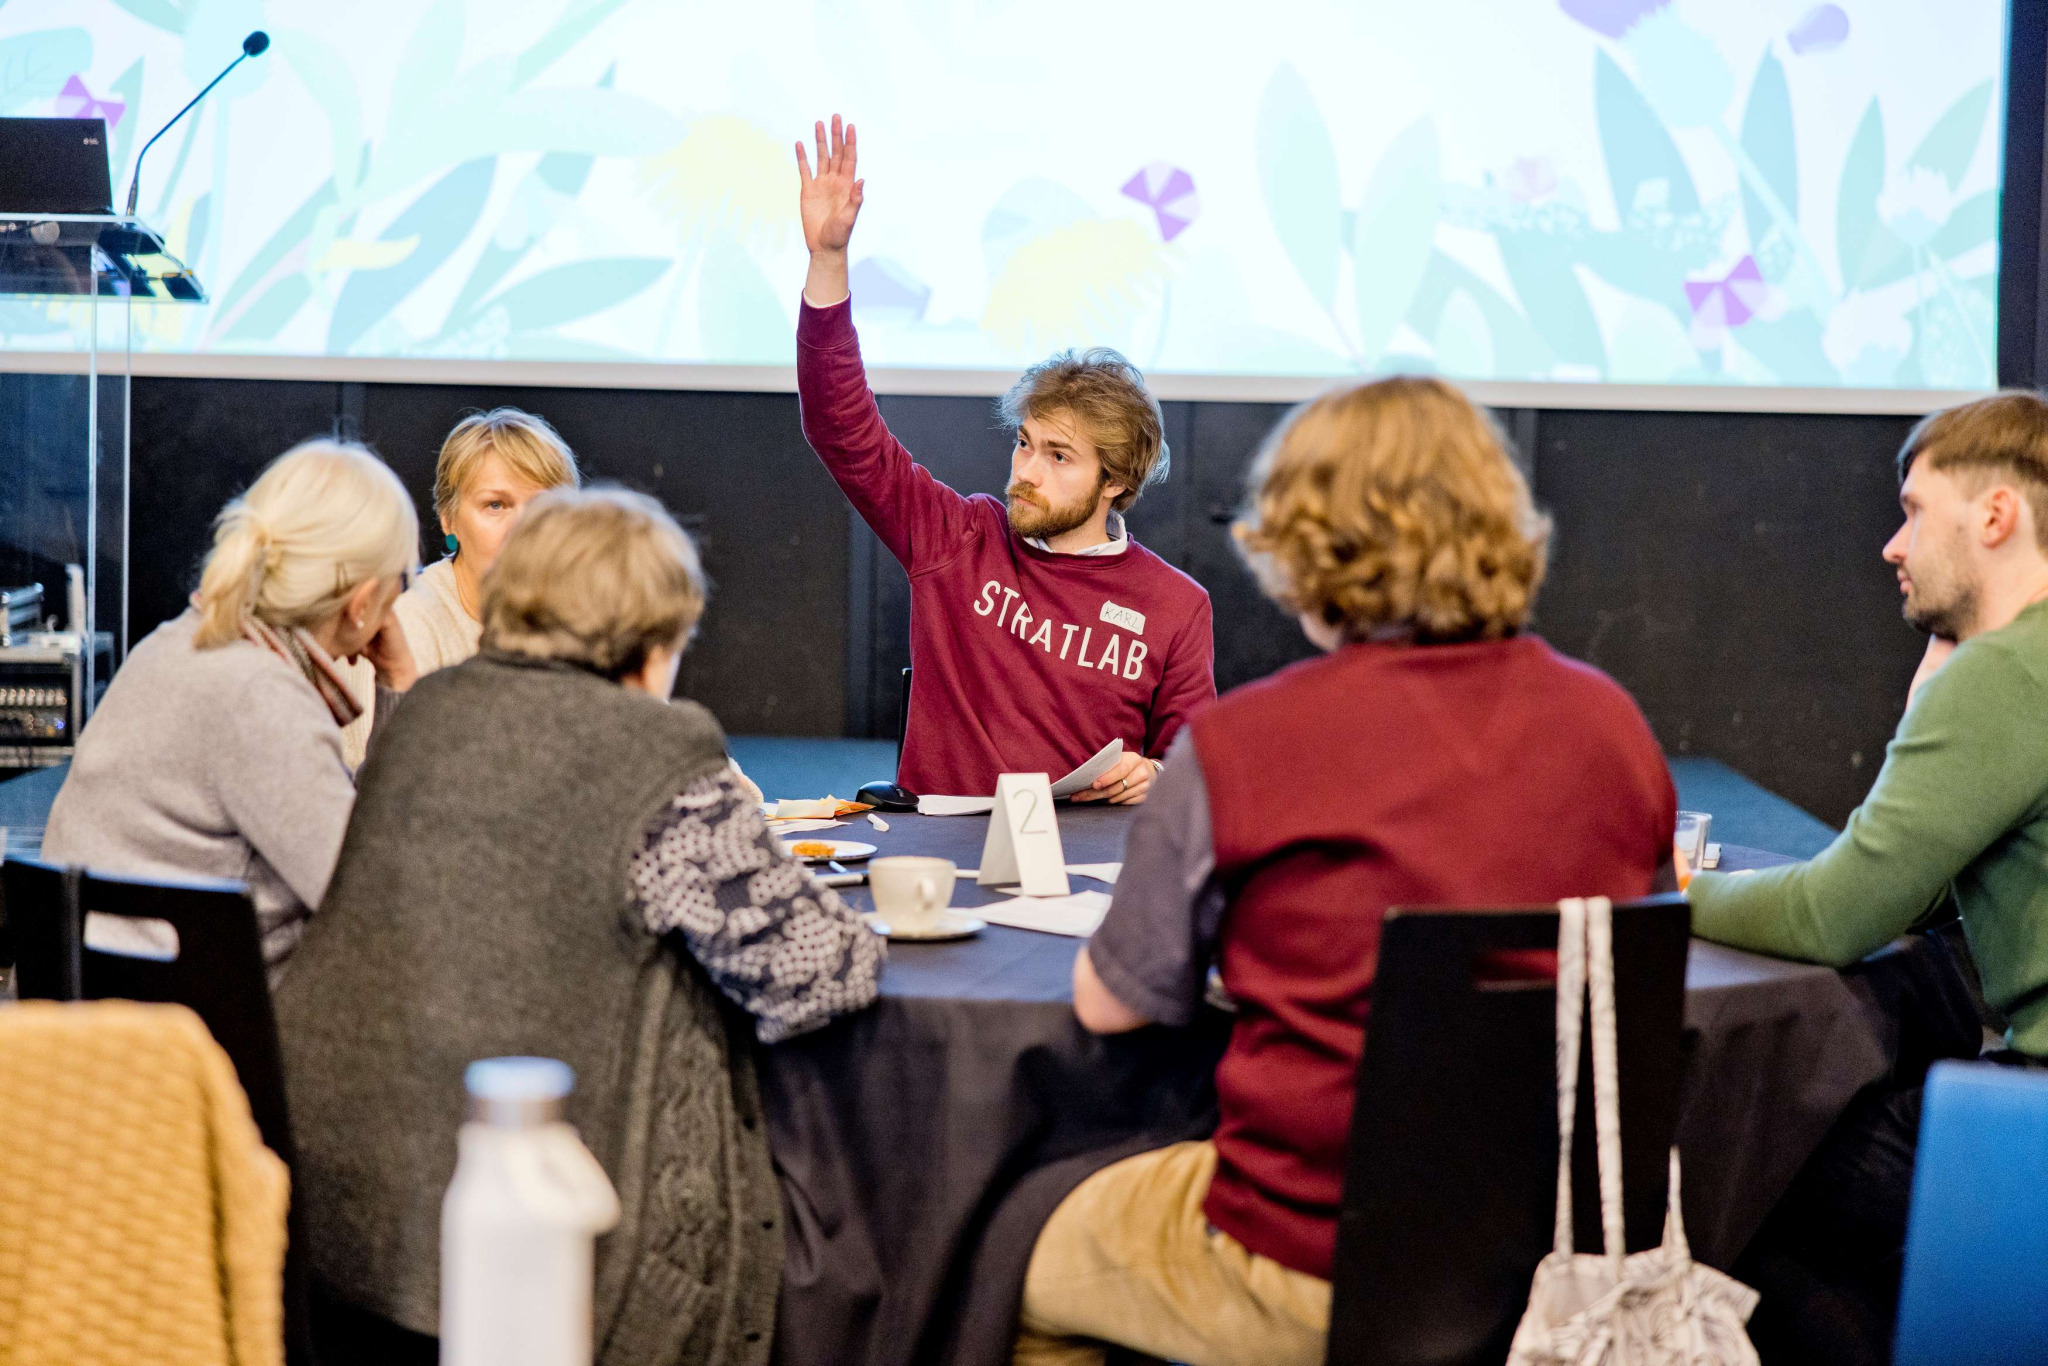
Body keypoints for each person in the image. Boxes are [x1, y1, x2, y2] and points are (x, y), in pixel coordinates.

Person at [1012, 377, 1676, 1366]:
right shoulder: (1611, 725)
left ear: (1302, 541)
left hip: (1301, 1260)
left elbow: (1112, 1005)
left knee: (1008, 1263)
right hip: (1546, 1256)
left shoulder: (1244, 743)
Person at [275, 487, 884, 1365]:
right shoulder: (655, 753)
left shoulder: (428, 715)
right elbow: (820, 974)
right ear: (652, 639)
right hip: (537, 1245)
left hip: (336, 1217)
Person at [1687, 391, 2048, 1361]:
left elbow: (1826, 913)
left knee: (1746, 1173)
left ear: (1993, 516)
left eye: (1913, 511)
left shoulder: (2003, 673)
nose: (1892, 545)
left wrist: (1677, 886)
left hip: (2033, 1125)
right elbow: (1923, 886)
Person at [794, 114, 1213, 802]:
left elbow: (1196, 774)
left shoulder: (1174, 606)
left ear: (1117, 483)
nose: (1026, 470)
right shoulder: (961, 537)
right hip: (941, 860)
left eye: (1058, 456)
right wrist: (828, 261)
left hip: (1082, 877)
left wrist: (1158, 775)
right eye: (1024, 444)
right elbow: (841, 428)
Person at [44, 439, 419, 966]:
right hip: (192, 1027)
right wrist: (402, 679)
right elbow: (375, 899)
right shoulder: (261, 698)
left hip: (93, 1011)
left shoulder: (173, 643)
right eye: (402, 579)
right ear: (362, 603)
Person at [339, 406, 581, 765]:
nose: (522, 528)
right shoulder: (409, 619)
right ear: (449, 520)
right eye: (496, 505)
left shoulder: (585, 616)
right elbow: (389, 786)